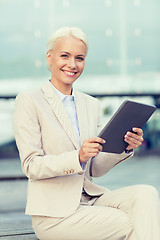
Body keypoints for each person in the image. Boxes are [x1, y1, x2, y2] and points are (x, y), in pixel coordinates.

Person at [13, 27, 160, 240]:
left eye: (79, 58)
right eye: (65, 56)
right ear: (50, 57)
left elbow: (95, 169)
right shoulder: (30, 100)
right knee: (132, 221)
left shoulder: (91, 104)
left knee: (146, 194)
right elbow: (31, 166)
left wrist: (125, 147)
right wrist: (78, 156)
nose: (72, 64)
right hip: (54, 215)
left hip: (90, 199)